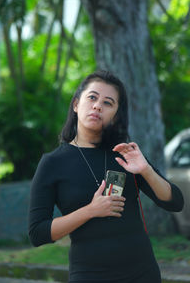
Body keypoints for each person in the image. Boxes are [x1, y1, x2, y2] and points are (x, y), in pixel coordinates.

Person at [28, 70, 184, 283]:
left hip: (142, 272)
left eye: (108, 103)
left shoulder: (125, 154)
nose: (98, 106)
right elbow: (38, 233)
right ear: (76, 104)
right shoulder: (53, 163)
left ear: (116, 115)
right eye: (92, 97)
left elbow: (175, 202)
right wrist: (90, 211)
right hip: (89, 274)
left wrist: (145, 169)